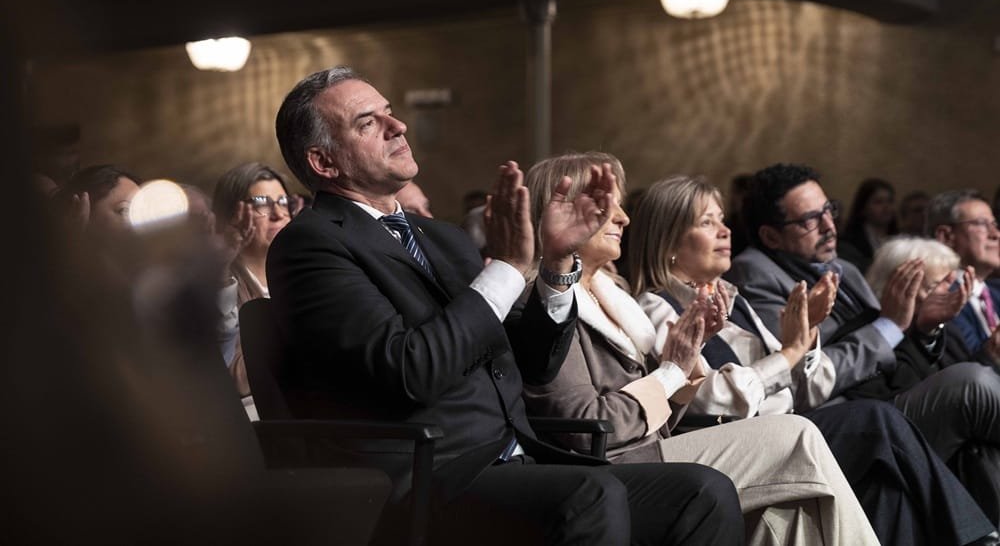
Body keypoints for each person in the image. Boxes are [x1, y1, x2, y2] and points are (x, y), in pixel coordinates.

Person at [267, 66, 744, 546]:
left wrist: (556, 265)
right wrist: (510, 267)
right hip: (429, 476)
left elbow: (531, 362)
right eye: (368, 123)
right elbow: (411, 370)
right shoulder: (311, 244)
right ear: (324, 162)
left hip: (520, 454)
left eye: (389, 113)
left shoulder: (442, 237)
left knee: (702, 491)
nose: (399, 126)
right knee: (590, 495)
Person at [523, 153, 879, 546]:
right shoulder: (546, 308)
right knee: (802, 435)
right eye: (606, 207)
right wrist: (673, 372)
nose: (623, 218)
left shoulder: (617, 298)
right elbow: (589, 427)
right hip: (617, 469)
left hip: (658, 449)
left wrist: (689, 358)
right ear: (558, 214)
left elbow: (665, 416)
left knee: (786, 516)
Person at [631, 174, 998, 545]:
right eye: (707, 222)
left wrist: (807, 338)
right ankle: (978, 538)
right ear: (669, 240)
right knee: (878, 418)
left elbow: (800, 386)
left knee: (886, 487)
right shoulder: (657, 308)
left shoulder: (733, 300)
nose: (725, 231)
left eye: (722, 220)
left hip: (789, 427)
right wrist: (789, 353)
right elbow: (709, 400)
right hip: (747, 447)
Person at [727, 163, 1000, 533]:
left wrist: (923, 328)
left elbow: (890, 353)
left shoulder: (844, 268)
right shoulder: (755, 274)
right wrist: (890, 326)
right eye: (809, 220)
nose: (829, 226)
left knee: (975, 448)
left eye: (829, 210)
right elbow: (802, 370)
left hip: (885, 398)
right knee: (972, 385)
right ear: (771, 236)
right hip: (840, 420)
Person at [211, 162, 294, 412]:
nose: (278, 214)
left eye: (283, 202)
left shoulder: (299, 272)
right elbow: (235, 380)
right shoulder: (220, 285)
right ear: (232, 216)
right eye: (261, 204)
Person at [927, 190, 1000, 359]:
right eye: (982, 223)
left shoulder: (996, 292)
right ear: (946, 236)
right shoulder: (939, 299)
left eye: (995, 224)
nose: (996, 234)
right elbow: (962, 368)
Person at [838, 178, 898, 273]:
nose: (886, 207)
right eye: (878, 202)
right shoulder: (849, 243)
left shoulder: (899, 238)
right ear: (863, 208)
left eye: (890, 201)